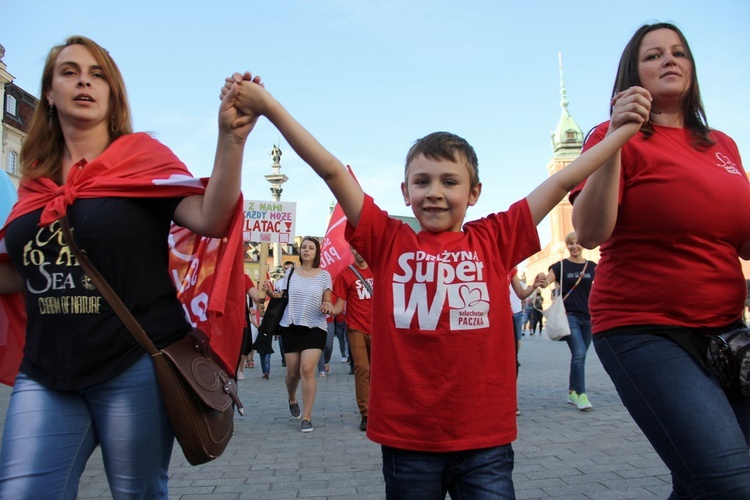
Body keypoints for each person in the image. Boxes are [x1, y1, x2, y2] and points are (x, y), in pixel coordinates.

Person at [224, 71, 649, 498]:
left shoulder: (495, 238)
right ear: (404, 192)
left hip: (486, 439)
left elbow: (562, 180)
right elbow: (332, 171)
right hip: (409, 441)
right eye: (422, 182)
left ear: (475, 191)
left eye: (450, 182)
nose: (435, 193)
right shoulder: (387, 240)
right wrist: (271, 108)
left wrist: (619, 132)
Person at [0, 36, 254, 498]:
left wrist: (230, 139)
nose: (84, 81)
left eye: (98, 74)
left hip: (135, 363)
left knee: (137, 493)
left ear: (113, 94)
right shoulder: (34, 180)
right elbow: (22, 274)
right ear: (50, 93)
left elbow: (212, 218)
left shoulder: (141, 159)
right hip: (46, 369)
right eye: (70, 71)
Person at [571, 22, 750, 498]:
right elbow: (589, 231)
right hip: (643, 330)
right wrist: (615, 138)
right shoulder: (609, 137)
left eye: (678, 53)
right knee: (728, 482)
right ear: (632, 74)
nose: (669, 60)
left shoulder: (722, 145)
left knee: (701, 482)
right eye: (653, 55)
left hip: (726, 333)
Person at [263, 237, 334, 432]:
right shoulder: (290, 273)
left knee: (308, 370)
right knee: (292, 372)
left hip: (315, 326)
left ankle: (307, 417)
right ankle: (292, 398)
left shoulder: (324, 275)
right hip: (291, 325)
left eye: (311, 247)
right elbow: (280, 296)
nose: (306, 250)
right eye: (303, 247)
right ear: (299, 251)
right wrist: (270, 292)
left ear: (316, 252)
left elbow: (327, 298)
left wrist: (327, 305)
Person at [543, 231, 596, 411]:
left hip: (588, 317)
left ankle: (572, 391)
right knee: (579, 353)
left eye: (577, 243)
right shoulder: (561, 266)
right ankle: (581, 394)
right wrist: (541, 280)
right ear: (567, 246)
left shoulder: (592, 267)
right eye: (570, 244)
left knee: (580, 355)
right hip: (569, 316)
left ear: (583, 245)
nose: (574, 247)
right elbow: (545, 283)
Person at [331, 246, 374, 431]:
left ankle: (380, 408)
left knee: (378, 372)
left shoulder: (378, 268)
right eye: (354, 249)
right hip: (355, 328)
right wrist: (328, 309)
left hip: (378, 329)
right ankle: (366, 413)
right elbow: (339, 306)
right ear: (350, 250)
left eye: (361, 247)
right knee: (362, 368)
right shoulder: (345, 275)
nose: (358, 252)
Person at [509, 269, 544, 416]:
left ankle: (511, 401)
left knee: (512, 362)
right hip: (489, 318)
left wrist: (534, 285)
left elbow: (521, 294)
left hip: (508, 317)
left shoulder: (510, 270)